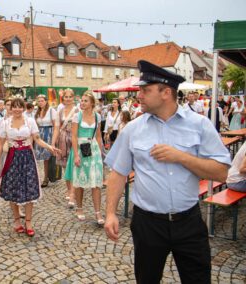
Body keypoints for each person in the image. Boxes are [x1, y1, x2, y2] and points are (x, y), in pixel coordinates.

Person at [104, 60, 231, 284]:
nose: (139, 95)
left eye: (145, 90)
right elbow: (118, 173)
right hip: (148, 224)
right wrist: (111, 213)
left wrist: (181, 157)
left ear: (166, 92)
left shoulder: (199, 125)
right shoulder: (133, 129)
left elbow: (221, 173)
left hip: (189, 222)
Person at [0, 97, 59, 237]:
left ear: (23, 108)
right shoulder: (5, 123)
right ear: (10, 108)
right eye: (14, 107)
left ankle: (28, 222)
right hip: (12, 158)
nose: (16, 109)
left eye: (19, 106)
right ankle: (17, 221)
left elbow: (37, 139)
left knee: (30, 189)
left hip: (28, 157)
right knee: (12, 189)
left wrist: (50, 147)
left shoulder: (30, 121)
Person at [65, 91, 104, 224]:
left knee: (96, 183)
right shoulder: (77, 116)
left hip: (93, 150)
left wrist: (101, 154)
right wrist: (76, 155)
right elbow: (74, 136)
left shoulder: (98, 116)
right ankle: (79, 208)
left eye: (85, 101)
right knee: (80, 182)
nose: (82, 103)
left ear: (92, 103)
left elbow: (98, 136)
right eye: (81, 100)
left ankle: (98, 213)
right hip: (81, 149)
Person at [56, 89, 79, 208]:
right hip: (63, 139)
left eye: (70, 96)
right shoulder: (60, 111)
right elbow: (56, 127)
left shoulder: (78, 110)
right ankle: (69, 189)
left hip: (75, 139)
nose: (68, 98)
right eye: (66, 97)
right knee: (65, 166)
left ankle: (73, 192)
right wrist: (53, 141)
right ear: (63, 98)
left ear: (73, 97)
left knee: (74, 165)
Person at [34, 94, 59, 188]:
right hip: (40, 134)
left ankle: (48, 177)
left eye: (42, 101)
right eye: (39, 101)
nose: (40, 102)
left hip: (49, 134)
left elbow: (55, 126)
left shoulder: (52, 111)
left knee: (49, 158)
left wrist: (54, 141)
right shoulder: (37, 111)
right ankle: (45, 177)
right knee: (44, 158)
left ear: (46, 101)